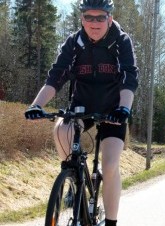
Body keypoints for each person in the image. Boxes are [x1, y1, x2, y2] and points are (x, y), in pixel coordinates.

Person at [24, 1, 139, 225]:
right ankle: (72, 175)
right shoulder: (74, 43)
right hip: (81, 106)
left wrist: (124, 108)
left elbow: (129, 77)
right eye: (89, 17)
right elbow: (56, 76)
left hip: (113, 110)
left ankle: (111, 222)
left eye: (100, 18)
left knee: (110, 165)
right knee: (61, 129)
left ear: (110, 18)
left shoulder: (121, 41)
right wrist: (36, 105)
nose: (94, 23)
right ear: (81, 19)